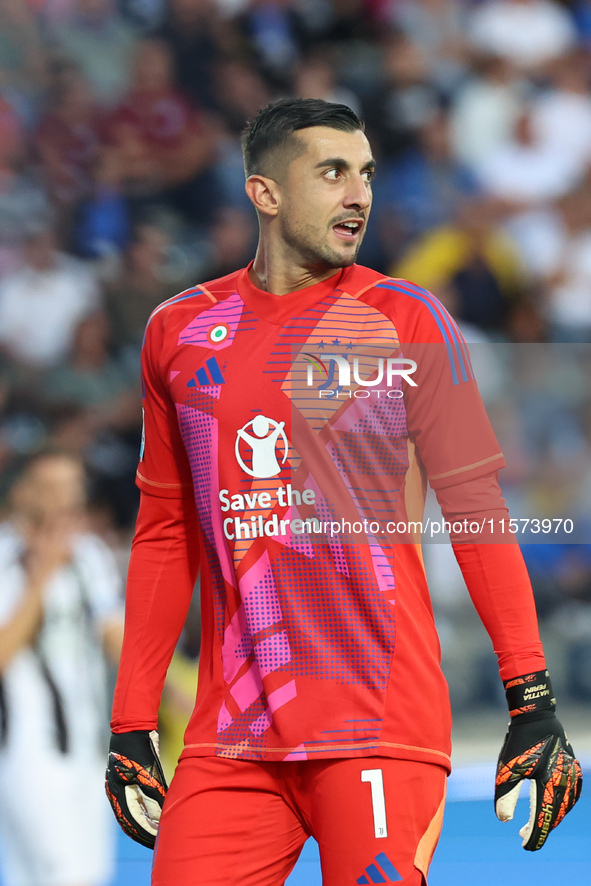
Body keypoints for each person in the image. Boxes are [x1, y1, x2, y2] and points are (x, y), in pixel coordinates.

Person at [105, 98, 582, 885]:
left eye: (365, 173)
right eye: (331, 172)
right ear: (263, 193)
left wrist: (530, 699)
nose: (358, 192)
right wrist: (131, 722)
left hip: (378, 723)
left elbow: (475, 514)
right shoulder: (178, 331)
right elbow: (163, 532)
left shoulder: (407, 320)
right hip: (233, 738)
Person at [0, 451, 124, 886]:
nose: (66, 498)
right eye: (53, 486)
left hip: (91, 743)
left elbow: (115, 637)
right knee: (63, 874)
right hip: (25, 746)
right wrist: (42, 576)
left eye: (74, 486)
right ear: (22, 491)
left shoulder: (89, 554)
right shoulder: (3, 555)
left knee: (84, 872)